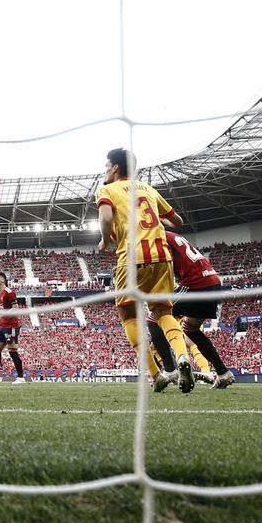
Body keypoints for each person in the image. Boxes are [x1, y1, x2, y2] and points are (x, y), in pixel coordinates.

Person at [96, 148, 192, 394]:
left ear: (115, 167)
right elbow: (178, 221)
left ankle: (155, 374)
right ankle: (182, 356)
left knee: (128, 315)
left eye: (107, 166)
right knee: (163, 311)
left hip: (131, 258)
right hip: (162, 256)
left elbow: (106, 218)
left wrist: (105, 240)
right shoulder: (148, 189)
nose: (105, 170)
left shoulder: (108, 190)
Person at [165, 230, 233, 389]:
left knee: (156, 314)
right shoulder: (173, 235)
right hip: (213, 281)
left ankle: (170, 370)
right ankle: (223, 373)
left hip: (196, 285)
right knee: (190, 329)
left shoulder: (158, 239)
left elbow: (165, 271)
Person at [0, 272, 26, 384]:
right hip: (2, 326)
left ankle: (21, 377)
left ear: (3, 280)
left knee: (12, 351)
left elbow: (15, 309)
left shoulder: (9, 292)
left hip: (11, 326)